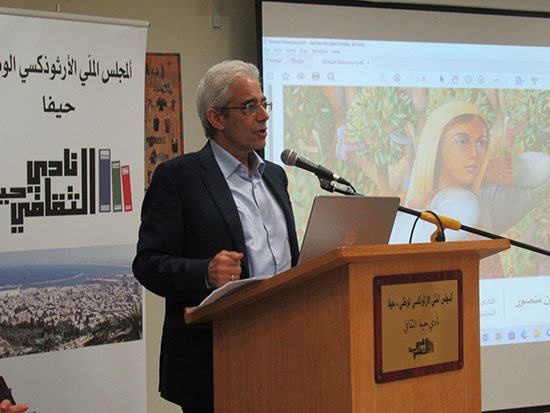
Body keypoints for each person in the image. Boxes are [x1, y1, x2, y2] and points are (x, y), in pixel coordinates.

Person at [133, 60, 299, 412]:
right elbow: (148, 263)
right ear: (216, 118)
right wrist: (205, 273)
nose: (264, 116)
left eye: (264, 103)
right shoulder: (179, 178)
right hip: (214, 358)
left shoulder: (275, 177)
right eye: (250, 107)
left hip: (285, 347)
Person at [391, 100, 549, 275]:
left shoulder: (487, 204)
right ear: (436, 146)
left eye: (481, 143)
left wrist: (489, 171)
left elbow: (545, 171)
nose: (474, 154)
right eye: (462, 141)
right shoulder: (411, 211)